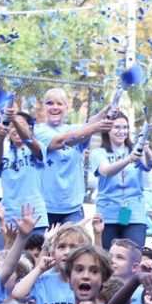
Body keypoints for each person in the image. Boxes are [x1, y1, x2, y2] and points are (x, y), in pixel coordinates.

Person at [35, 88, 113, 225]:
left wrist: (106, 111)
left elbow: (88, 125)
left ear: (67, 107)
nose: (54, 107)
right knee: (44, 246)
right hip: (45, 207)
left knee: (73, 245)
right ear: (43, 107)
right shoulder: (38, 131)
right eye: (50, 103)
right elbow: (61, 141)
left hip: (72, 209)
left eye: (59, 104)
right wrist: (95, 128)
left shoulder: (75, 129)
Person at [90, 111, 150, 247]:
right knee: (107, 258)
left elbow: (148, 166)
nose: (122, 131)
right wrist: (128, 160)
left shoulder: (136, 149)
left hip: (134, 213)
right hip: (108, 212)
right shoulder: (99, 152)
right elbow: (106, 171)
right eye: (117, 127)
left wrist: (147, 151)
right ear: (107, 129)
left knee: (132, 255)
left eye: (125, 127)